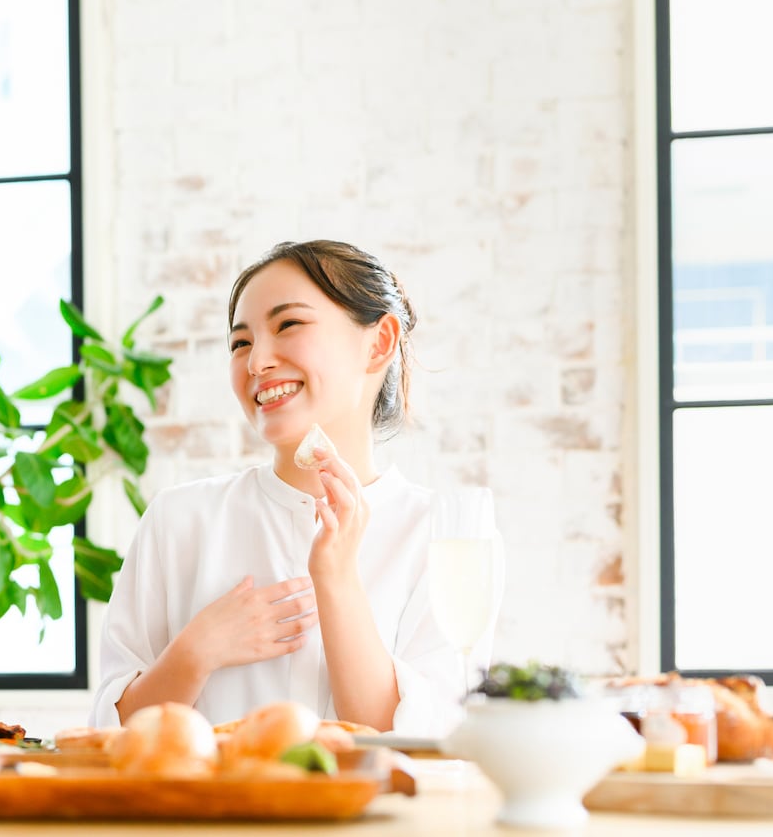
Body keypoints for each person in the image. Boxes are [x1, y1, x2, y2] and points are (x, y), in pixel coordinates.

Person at [92, 240, 499, 735]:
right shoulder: (179, 519)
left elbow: (419, 744)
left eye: (289, 325)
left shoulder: (444, 537)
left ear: (379, 342)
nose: (257, 361)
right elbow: (108, 738)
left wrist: (335, 576)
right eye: (240, 343)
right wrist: (196, 651)